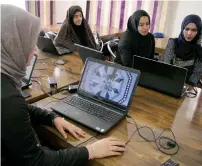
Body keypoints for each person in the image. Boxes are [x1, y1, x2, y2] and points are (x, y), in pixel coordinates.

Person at [1, 5, 126, 166]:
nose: (34, 49)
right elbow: (37, 161)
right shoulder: (7, 97)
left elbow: (20, 107)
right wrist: (91, 151)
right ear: (13, 44)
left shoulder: (6, 86)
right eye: (28, 43)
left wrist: (53, 118)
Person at [163, 14, 202, 86]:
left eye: (194, 30)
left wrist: (188, 86)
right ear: (182, 28)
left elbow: (197, 72)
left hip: (188, 85)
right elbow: (165, 65)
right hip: (169, 80)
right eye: (187, 29)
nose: (189, 33)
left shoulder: (199, 50)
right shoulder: (173, 43)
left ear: (198, 32)